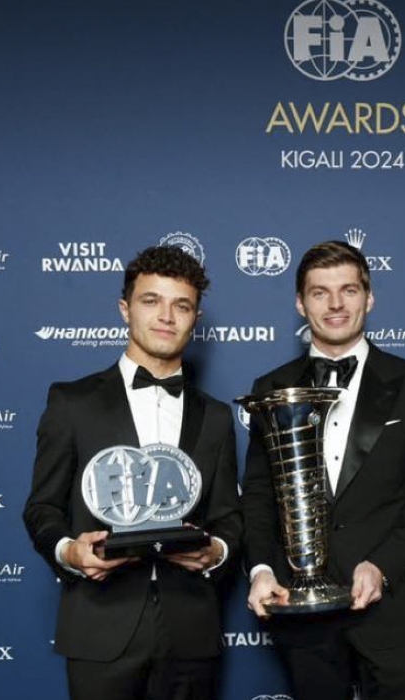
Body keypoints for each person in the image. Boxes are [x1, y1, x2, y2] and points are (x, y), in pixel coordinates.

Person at [241, 240, 405, 700]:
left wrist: (383, 566)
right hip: (300, 607)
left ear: (370, 297)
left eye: (349, 290)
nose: (336, 304)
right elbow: (260, 496)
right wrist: (261, 568)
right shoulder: (272, 387)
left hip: (392, 606)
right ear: (301, 303)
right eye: (320, 293)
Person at [22, 245, 242, 700]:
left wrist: (215, 551)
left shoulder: (217, 416)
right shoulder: (72, 402)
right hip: (100, 627)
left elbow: (229, 517)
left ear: (195, 318)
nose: (166, 316)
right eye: (151, 301)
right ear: (125, 309)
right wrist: (70, 553)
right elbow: (42, 508)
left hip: (191, 633)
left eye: (181, 305)